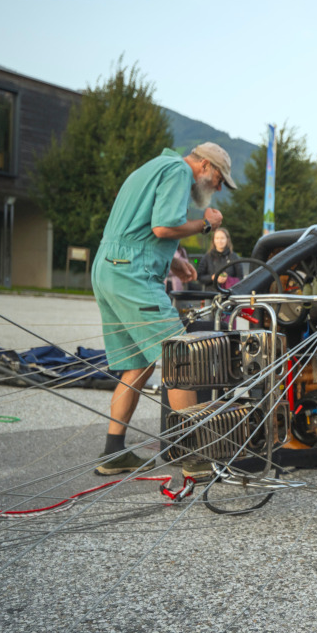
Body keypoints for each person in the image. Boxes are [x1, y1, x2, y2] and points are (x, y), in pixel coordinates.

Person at [92, 142, 238, 475]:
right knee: (180, 356)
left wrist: (172, 262)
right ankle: (194, 457)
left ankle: (114, 452)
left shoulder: (150, 168)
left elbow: (136, 230)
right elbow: (163, 227)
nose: (217, 188)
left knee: (138, 363)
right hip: (131, 275)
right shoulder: (177, 172)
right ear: (204, 166)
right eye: (219, 180)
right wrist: (206, 225)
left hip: (108, 269)